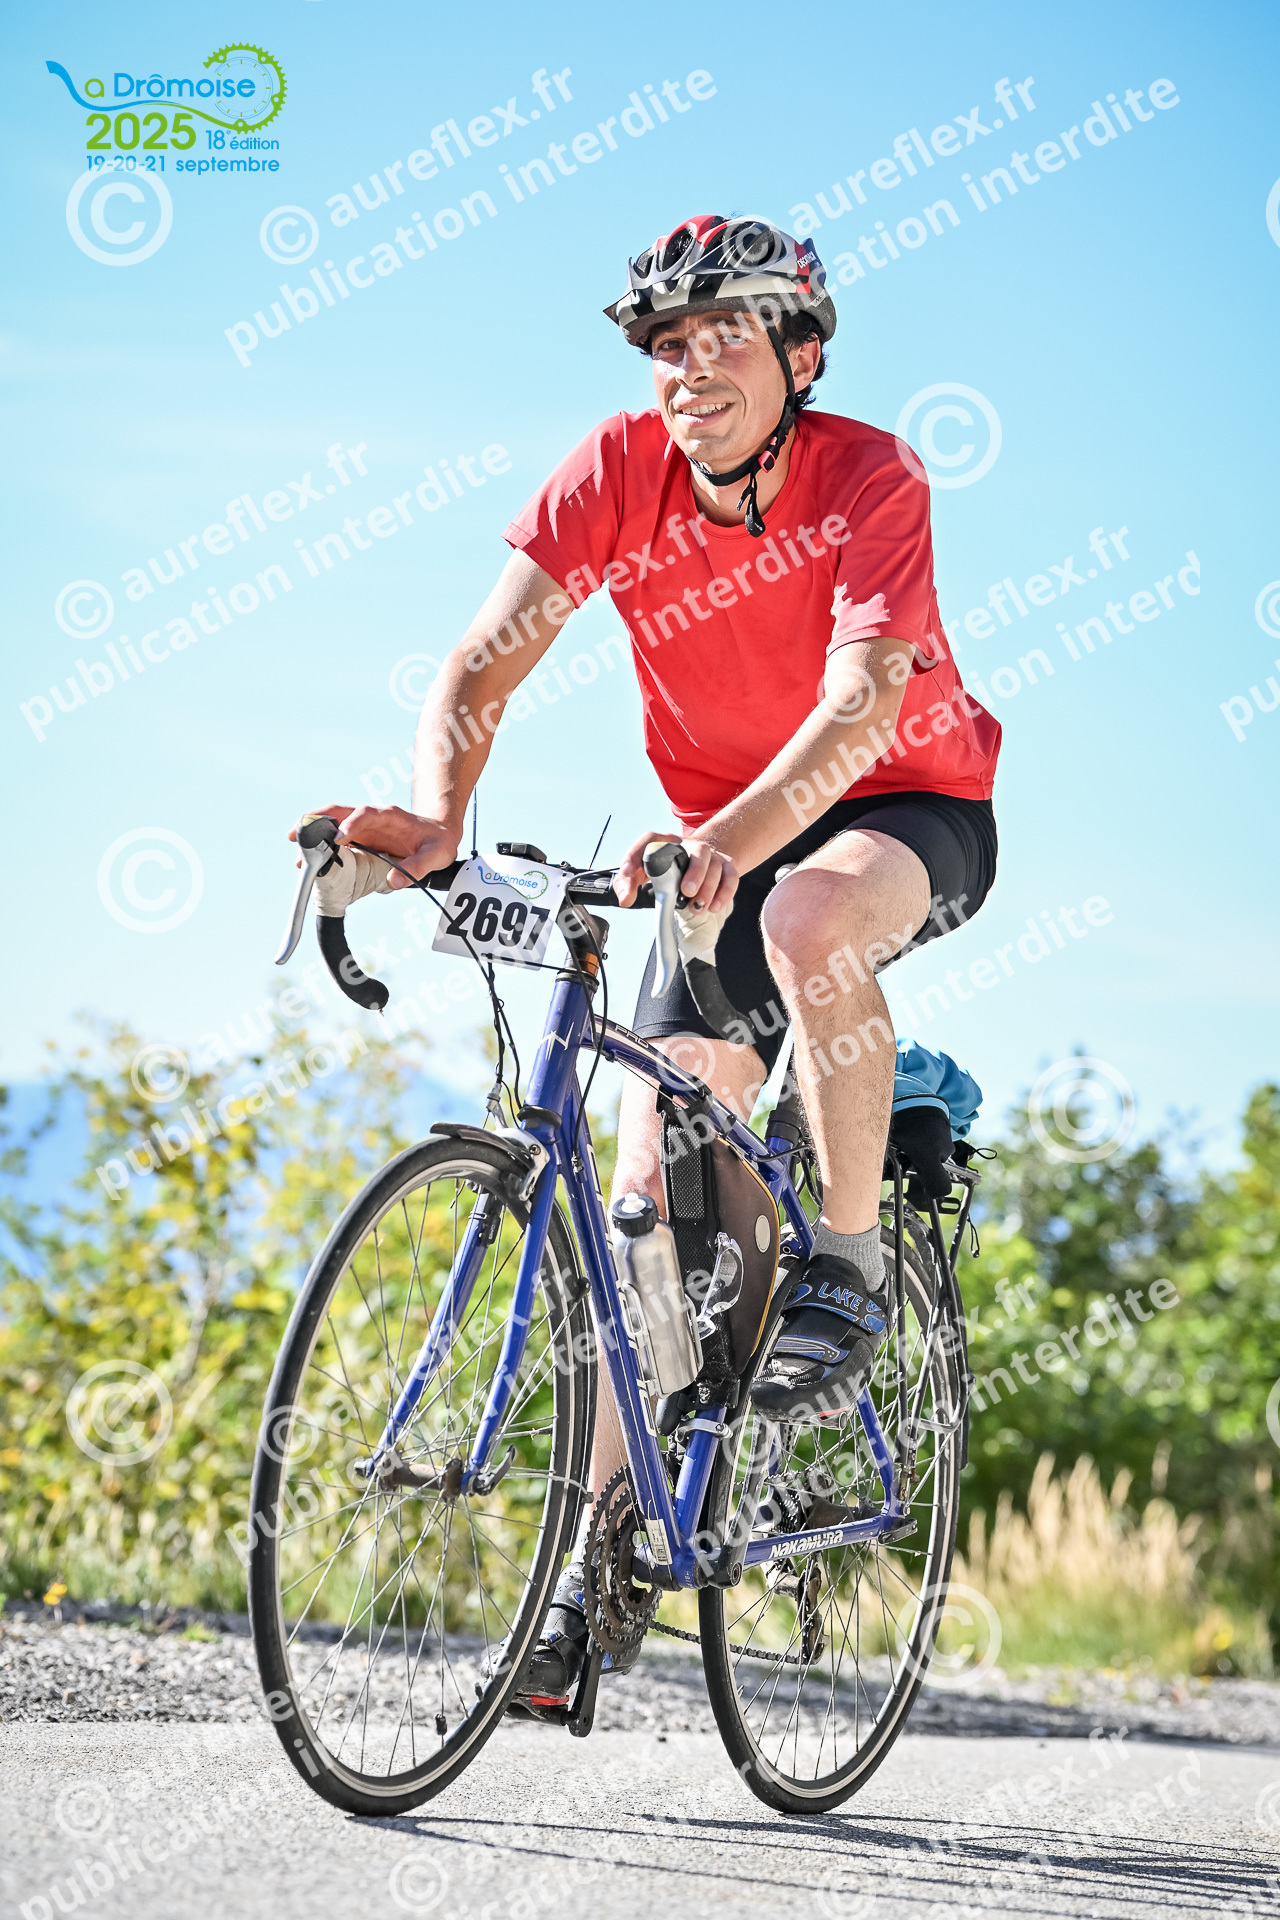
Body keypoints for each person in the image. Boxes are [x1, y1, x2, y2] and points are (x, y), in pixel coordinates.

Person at [298, 214, 1001, 1707]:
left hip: (900, 804)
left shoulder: (870, 476)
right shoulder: (616, 469)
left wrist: (732, 840)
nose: (689, 371)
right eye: (670, 346)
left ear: (801, 357)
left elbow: (864, 708)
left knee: (807, 920)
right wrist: (436, 818)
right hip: (713, 845)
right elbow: (483, 662)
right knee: (643, 1212)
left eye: (725, 338)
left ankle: (851, 1262)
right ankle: (604, 1559)